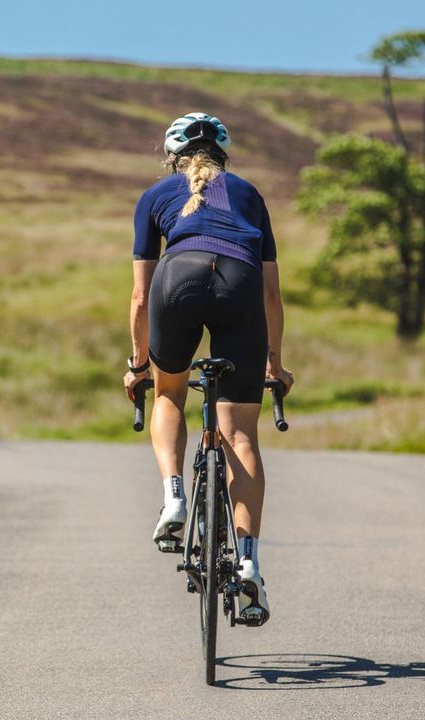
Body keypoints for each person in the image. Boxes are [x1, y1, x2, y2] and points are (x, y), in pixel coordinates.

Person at [122, 112, 294, 625]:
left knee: (170, 393)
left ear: (172, 157)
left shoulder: (156, 197)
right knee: (240, 433)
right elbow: (271, 295)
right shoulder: (249, 195)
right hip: (239, 284)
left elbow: (138, 296)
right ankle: (248, 562)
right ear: (224, 154)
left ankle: (174, 497)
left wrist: (138, 366)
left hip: (177, 280)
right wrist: (276, 365)